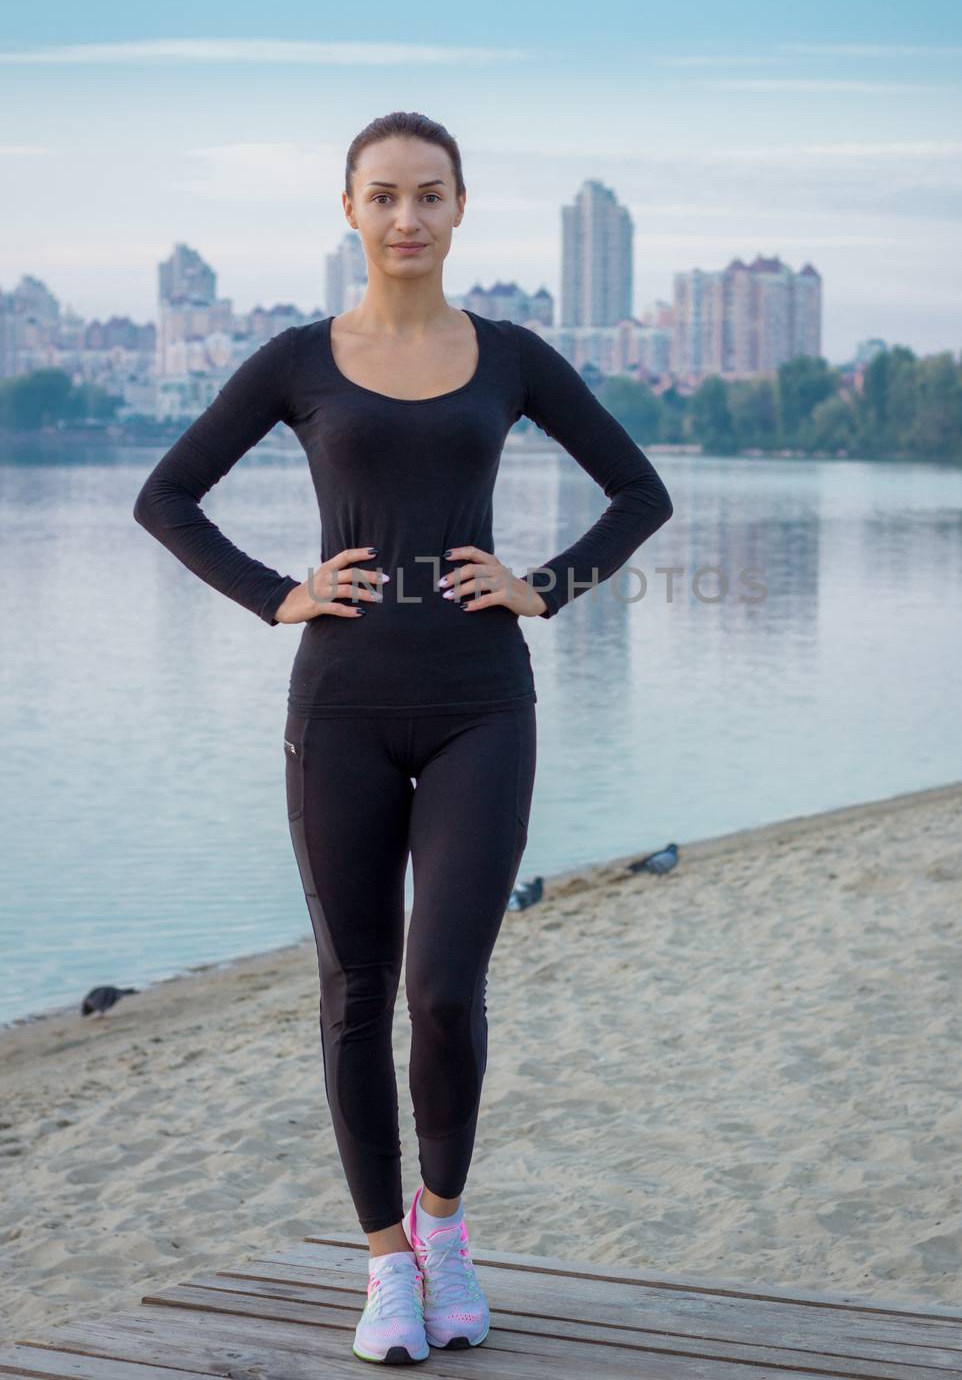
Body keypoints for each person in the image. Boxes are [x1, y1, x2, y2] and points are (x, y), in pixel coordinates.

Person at [133, 110, 674, 1365]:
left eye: (429, 195)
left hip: (484, 697)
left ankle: (444, 1229)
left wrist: (551, 581)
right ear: (349, 210)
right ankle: (383, 1266)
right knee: (353, 992)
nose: (406, 219)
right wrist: (278, 591)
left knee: (443, 989)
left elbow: (638, 490)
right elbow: (166, 497)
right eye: (382, 196)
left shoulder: (511, 356)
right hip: (341, 711)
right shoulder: (295, 360)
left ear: (460, 207)